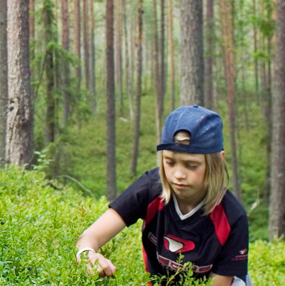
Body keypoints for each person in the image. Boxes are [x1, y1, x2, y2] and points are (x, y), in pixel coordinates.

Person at [75, 105, 250, 285]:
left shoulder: (233, 217)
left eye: (191, 165)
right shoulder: (150, 188)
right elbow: (90, 236)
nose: (178, 174)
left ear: (218, 161)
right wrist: (87, 254)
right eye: (170, 162)